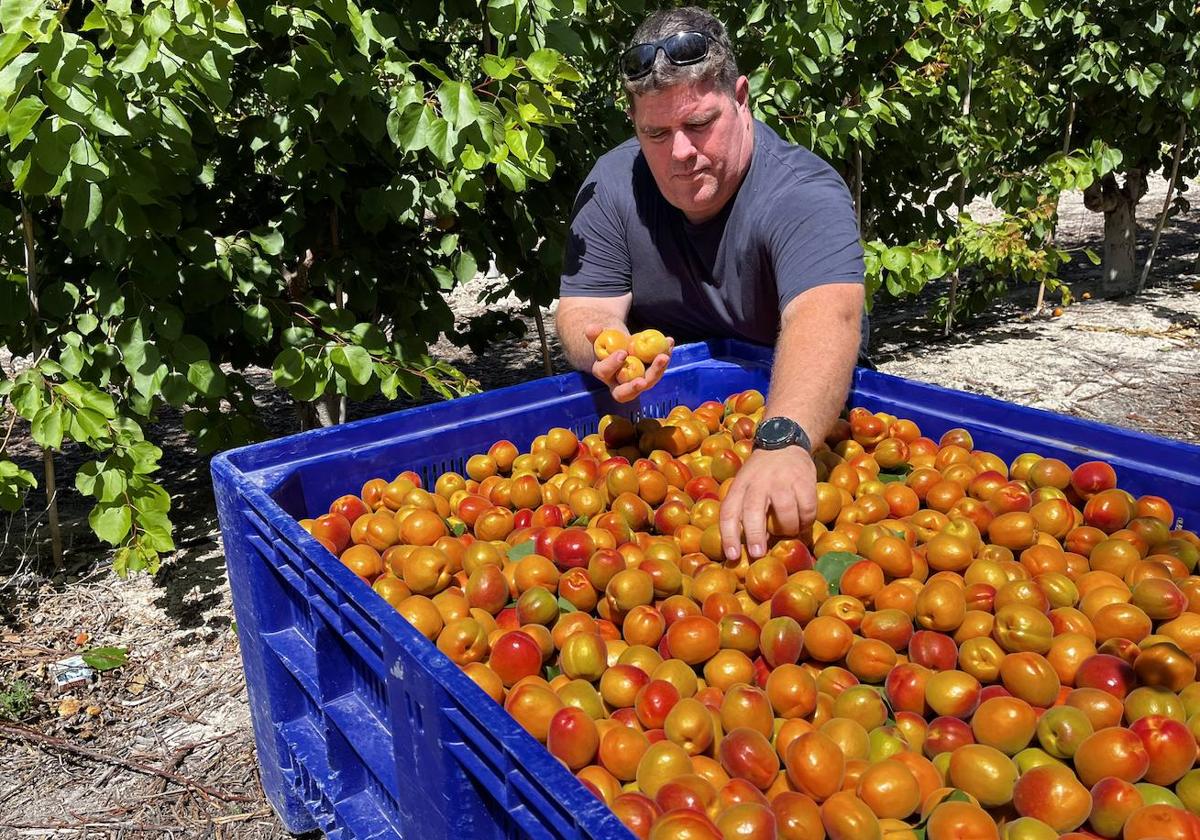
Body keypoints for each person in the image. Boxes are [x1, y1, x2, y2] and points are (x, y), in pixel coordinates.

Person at [555, 7, 867, 566]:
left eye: (700, 124)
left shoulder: (802, 192)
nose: (679, 153)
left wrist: (782, 440)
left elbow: (827, 315)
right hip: (672, 429)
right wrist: (607, 348)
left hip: (796, 414)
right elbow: (584, 310)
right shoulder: (612, 185)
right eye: (655, 133)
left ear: (742, 98)